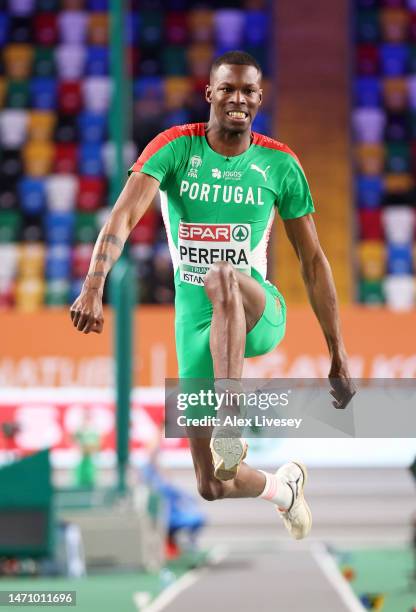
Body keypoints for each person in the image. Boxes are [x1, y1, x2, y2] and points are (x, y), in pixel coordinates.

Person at [70, 50, 355, 540]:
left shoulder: (279, 164)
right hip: (197, 328)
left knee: (222, 272)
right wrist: (93, 286)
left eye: (248, 91)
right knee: (211, 484)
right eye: (227, 89)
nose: (238, 99)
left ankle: (231, 420)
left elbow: (313, 262)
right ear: (210, 94)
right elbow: (122, 215)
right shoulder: (176, 148)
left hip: (257, 311)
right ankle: (283, 489)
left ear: (260, 98)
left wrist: (338, 351)